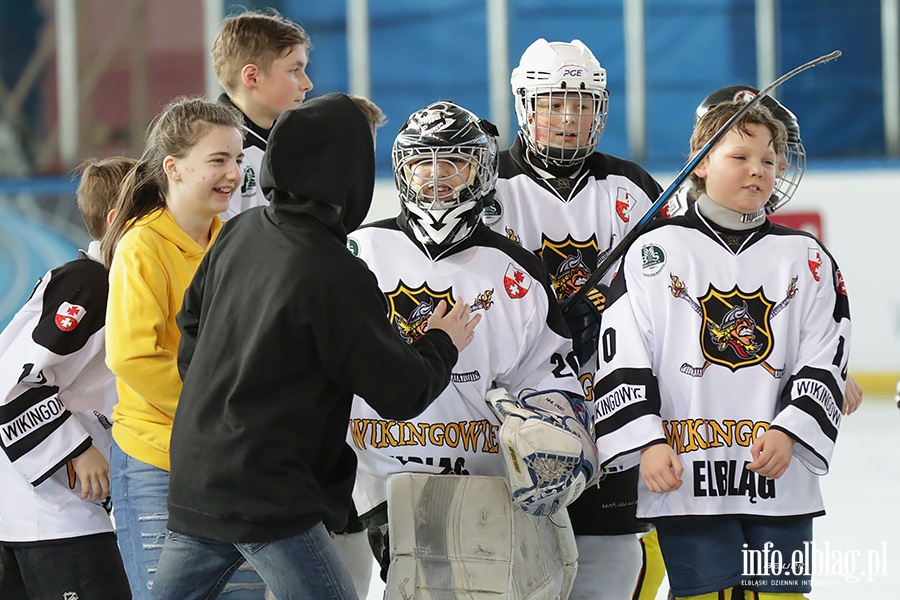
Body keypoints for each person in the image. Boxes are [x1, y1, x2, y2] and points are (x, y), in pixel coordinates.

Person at [148, 93, 480, 600]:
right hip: (271, 494)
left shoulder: (241, 230)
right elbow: (400, 393)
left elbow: (190, 329)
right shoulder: (333, 270)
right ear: (348, 168)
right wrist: (441, 342)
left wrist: (225, 409)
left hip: (198, 474)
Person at [593, 99, 851, 599]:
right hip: (686, 474)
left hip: (777, 475)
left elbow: (827, 353)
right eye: (740, 157)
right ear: (702, 161)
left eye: (769, 161)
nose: (758, 170)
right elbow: (623, 355)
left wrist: (792, 430)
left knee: (779, 596)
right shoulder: (654, 251)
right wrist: (647, 441)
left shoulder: (806, 256)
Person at [345, 101, 595, 590]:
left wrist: (560, 431)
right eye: (423, 162)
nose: (436, 177)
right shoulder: (358, 251)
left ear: (479, 172)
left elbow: (549, 378)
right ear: (403, 170)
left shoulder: (516, 269)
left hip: (481, 489)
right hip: (370, 487)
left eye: (453, 162)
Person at [482, 38, 663, 598]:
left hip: (608, 404)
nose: (568, 118)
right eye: (553, 102)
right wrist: (550, 319)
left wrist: (612, 310)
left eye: (582, 104)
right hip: (515, 413)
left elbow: (666, 290)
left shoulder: (629, 186)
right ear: (525, 106)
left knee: (608, 562)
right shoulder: (488, 183)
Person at [100, 97, 268, 599]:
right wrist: (218, 414)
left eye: (238, 160)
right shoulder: (141, 246)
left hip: (229, 458)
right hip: (159, 462)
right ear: (173, 167)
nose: (233, 173)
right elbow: (131, 356)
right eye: (218, 160)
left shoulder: (233, 240)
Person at [0, 157, 135, 600]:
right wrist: (75, 449)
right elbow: (10, 381)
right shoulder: (89, 284)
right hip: (54, 516)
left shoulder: (115, 284)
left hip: (62, 515)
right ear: (119, 222)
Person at [211, 9, 313, 219]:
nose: (307, 84)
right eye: (294, 71)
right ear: (252, 77)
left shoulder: (290, 145)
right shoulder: (214, 155)